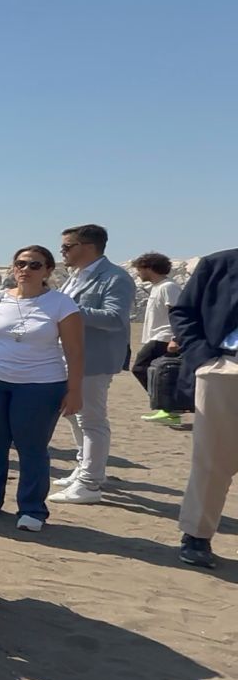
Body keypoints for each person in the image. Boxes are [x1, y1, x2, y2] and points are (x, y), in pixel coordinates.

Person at [0, 246, 83, 532]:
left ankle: (32, 509)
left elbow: (74, 351)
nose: (26, 269)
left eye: (35, 265)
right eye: (20, 264)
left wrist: (75, 391)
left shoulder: (62, 304)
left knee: (31, 446)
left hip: (41, 385)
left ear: (48, 270)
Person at [50, 224, 134, 505]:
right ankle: (83, 468)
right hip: (68, 357)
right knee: (74, 415)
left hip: (94, 359)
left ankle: (90, 483)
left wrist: (69, 309)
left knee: (92, 420)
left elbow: (115, 318)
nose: (62, 252)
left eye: (67, 246)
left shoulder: (114, 277)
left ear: (87, 246)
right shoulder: (74, 276)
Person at [169, 248, 238, 568]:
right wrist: (203, 359)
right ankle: (197, 535)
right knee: (214, 459)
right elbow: (183, 312)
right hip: (226, 370)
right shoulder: (219, 264)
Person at [130, 252, 184, 425]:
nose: (138, 274)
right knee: (157, 373)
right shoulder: (157, 287)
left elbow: (178, 313)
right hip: (157, 336)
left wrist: (176, 338)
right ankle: (168, 408)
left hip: (165, 337)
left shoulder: (168, 287)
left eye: (139, 269)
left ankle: (169, 407)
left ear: (149, 268)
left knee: (140, 368)